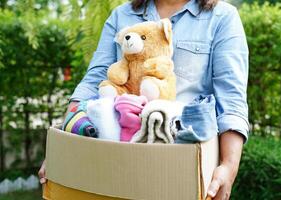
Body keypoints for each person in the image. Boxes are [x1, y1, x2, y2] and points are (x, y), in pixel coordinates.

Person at [39, 0, 249, 199]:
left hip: (183, 163)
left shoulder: (222, 17)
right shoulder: (122, 15)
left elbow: (230, 98)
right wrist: (61, 147)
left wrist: (229, 167)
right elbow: (94, 80)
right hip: (116, 159)